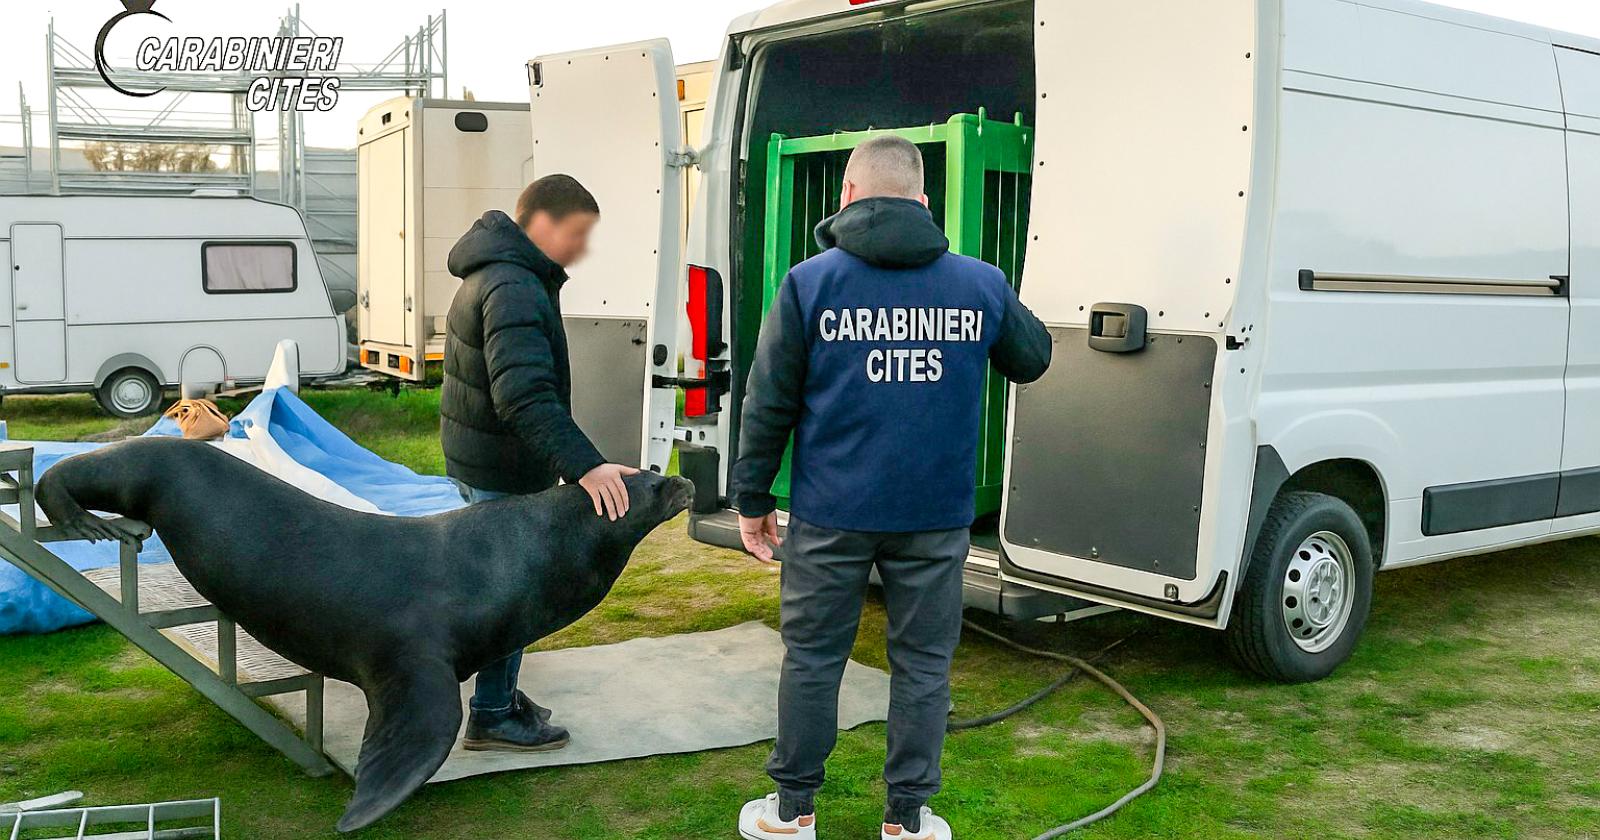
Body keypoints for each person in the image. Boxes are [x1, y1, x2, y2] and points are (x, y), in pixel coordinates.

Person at [732, 136, 1052, 840]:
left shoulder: (809, 284)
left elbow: (767, 402)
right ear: (924, 201)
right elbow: (1032, 360)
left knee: (813, 659)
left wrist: (752, 500)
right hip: (934, 516)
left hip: (831, 513)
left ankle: (791, 813)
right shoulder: (979, 282)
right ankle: (906, 820)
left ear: (846, 194)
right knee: (923, 668)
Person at [440, 173, 639, 752]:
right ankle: (493, 713)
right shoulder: (513, 285)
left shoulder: (500, 272)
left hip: (481, 460)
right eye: (577, 234)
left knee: (500, 590)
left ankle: (497, 697)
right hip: (499, 470)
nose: (581, 249)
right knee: (510, 594)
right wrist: (587, 467)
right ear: (543, 223)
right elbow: (523, 395)